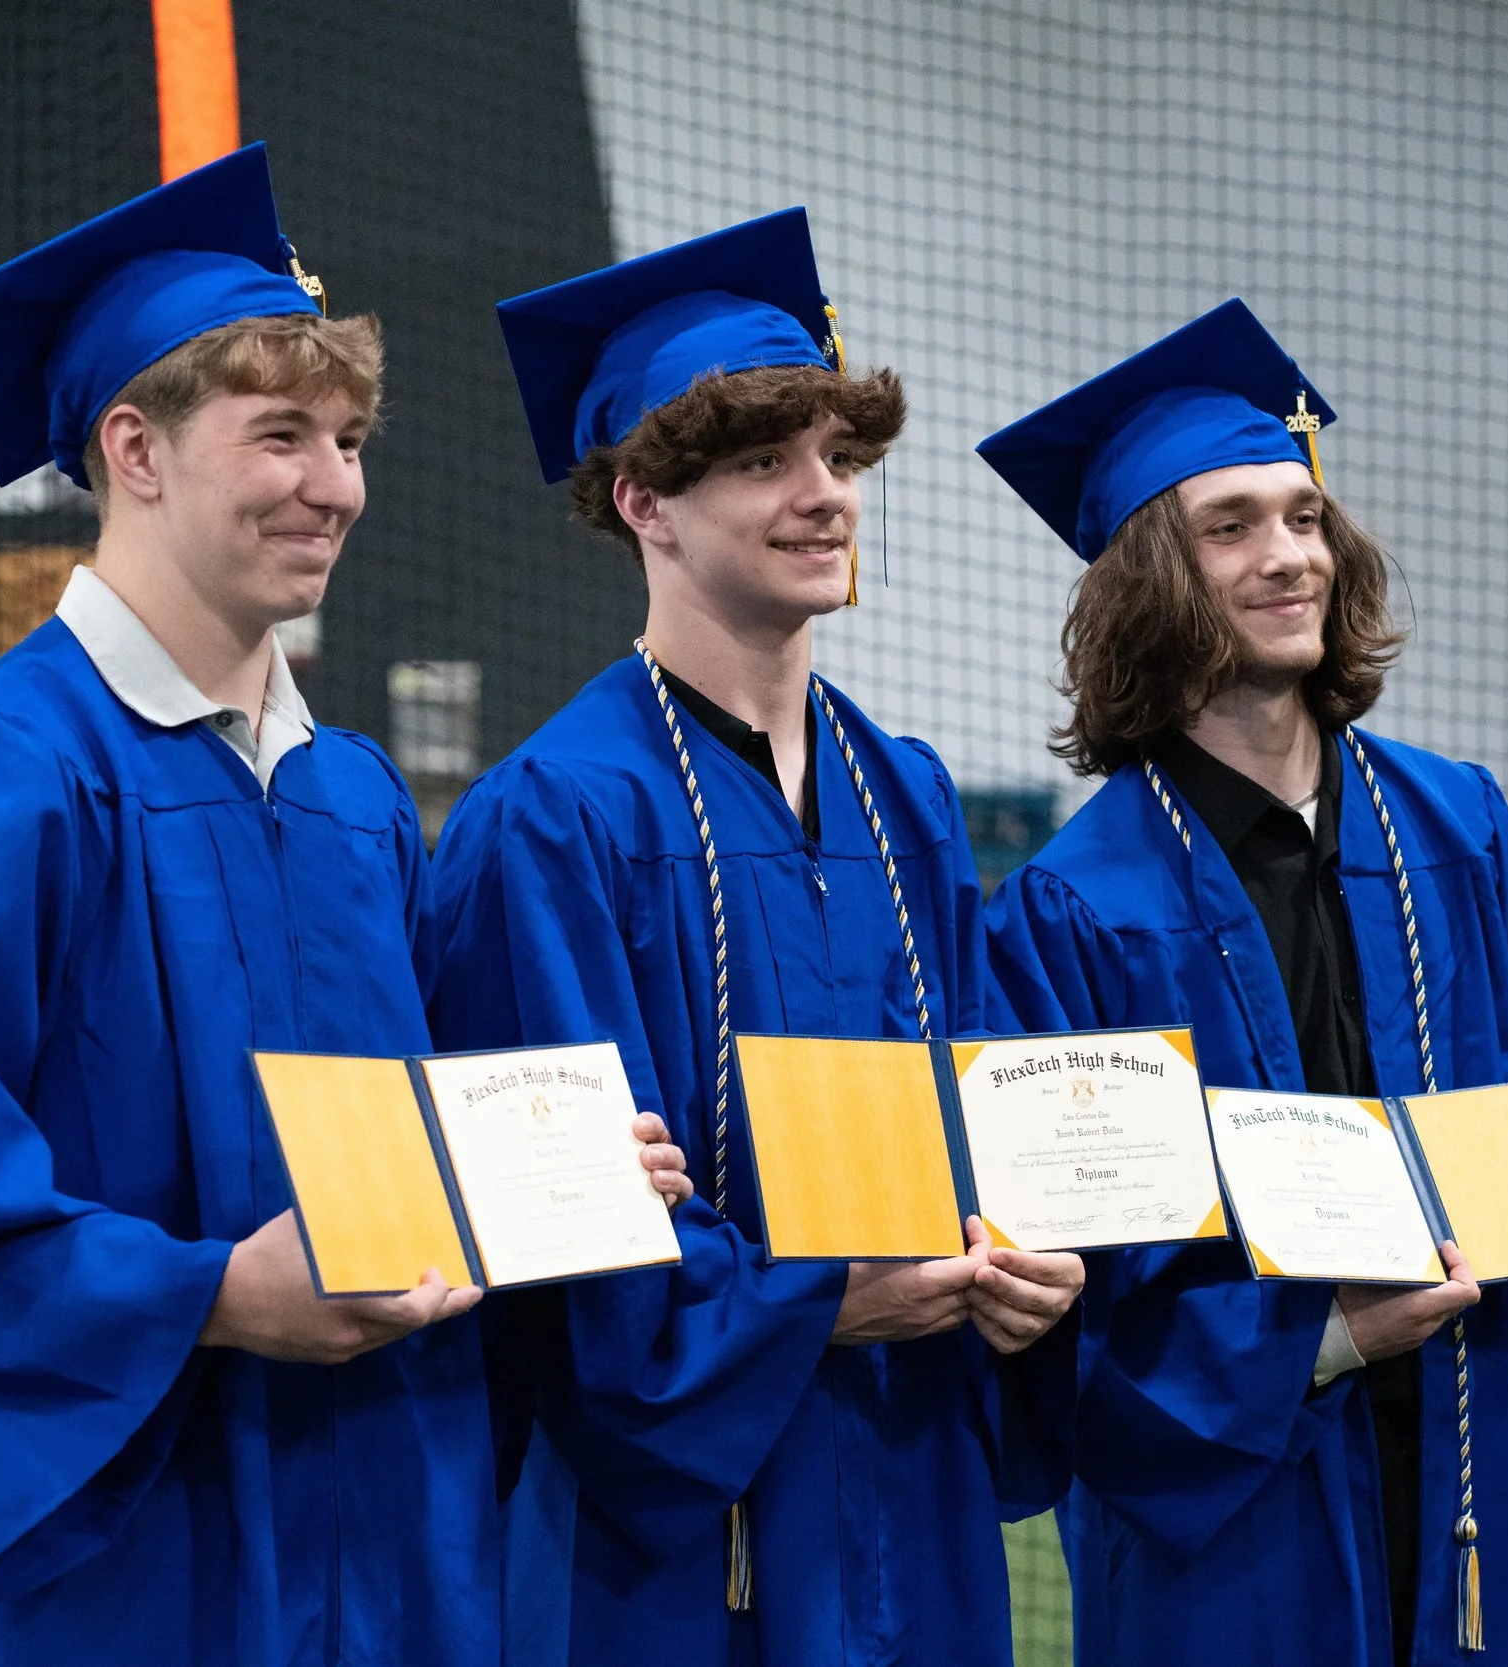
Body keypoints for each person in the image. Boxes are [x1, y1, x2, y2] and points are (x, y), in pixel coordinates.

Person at [0, 144, 688, 1666]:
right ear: (134, 450)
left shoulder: (356, 801)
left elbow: (391, 1136)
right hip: (115, 1558)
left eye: (347, 438)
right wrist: (210, 1294)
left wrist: (554, 1170)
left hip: (377, 1521)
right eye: (282, 436)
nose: (337, 485)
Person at [976, 299, 1508, 1666]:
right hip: (1239, 1494)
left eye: (1303, 516)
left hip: (1491, 1426)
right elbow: (1076, 1293)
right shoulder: (1071, 909)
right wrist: (1322, 1336)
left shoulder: (1458, 827)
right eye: (1232, 527)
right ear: (1154, 576)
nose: (1286, 556)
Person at [426, 208, 1083, 1667]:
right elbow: (567, 1224)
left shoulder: (900, 788)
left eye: (839, 460)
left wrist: (1020, 1256)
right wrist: (813, 1303)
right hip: (672, 1530)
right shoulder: (553, 815)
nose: (824, 495)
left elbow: (966, 1087)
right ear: (645, 504)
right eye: (762, 461)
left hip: (913, 1469)